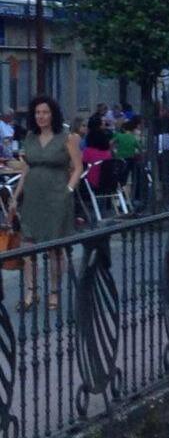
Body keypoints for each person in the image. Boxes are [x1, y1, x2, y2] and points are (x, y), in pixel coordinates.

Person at [10, 96, 82, 310]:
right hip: (33, 197)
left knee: (54, 249)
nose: (41, 116)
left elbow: (78, 167)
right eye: (37, 113)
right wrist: (15, 196)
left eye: (45, 112)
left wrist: (68, 190)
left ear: (53, 114)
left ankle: (54, 291)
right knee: (28, 245)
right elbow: (27, 168)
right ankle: (32, 292)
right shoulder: (30, 137)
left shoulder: (66, 137)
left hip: (57, 196)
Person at [83, 115, 113, 189]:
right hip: (107, 182)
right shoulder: (108, 153)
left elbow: (83, 165)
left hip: (92, 182)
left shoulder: (87, 151)